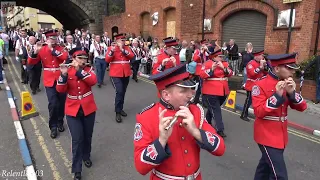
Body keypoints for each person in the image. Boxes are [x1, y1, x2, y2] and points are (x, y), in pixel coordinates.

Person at [134, 64, 226, 179]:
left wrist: (195, 131)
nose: (191, 94)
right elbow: (140, 167)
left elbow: (221, 148)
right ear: (166, 95)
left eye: (191, 89)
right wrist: (162, 140)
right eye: (183, 91)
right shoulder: (147, 117)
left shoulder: (195, 111)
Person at [252, 53, 307, 180]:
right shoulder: (260, 85)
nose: (292, 72)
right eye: (289, 68)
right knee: (279, 175)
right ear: (277, 68)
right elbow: (259, 112)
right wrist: (277, 96)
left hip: (281, 135)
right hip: (266, 135)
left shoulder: (288, 83)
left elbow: (303, 107)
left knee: (264, 169)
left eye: (293, 68)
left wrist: (292, 92)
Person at [56, 47, 97, 180]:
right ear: (73, 59)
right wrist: (63, 75)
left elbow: (93, 81)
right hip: (73, 109)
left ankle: (86, 156)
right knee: (77, 139)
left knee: (87, 136)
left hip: (88, 108)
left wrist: (79, 70)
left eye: (85, 58)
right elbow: (60, 90)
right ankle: (77, 169)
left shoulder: (88, 70)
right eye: (80, 58)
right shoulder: (67, 71)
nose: (83, 60)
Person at [28, 29, 68, 139]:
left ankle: (60, 121)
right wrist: (35, 52)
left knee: (61, 102)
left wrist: (52, 50)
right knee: (53, 103)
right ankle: (53, 126)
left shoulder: (61, 48)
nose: (54, 40)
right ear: (46, 39)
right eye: (51, 38)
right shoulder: (42, 49)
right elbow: (31, 62)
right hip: (49, 80)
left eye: (55, 38)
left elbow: (65, 57)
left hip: (61, 79)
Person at [199, 50, 233, 138]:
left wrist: (223, 68)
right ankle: (220, 129)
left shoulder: (224, 64)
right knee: (216, 109)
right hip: (211, 90)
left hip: (223, 90)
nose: (221, 58)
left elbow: (230, 73)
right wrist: (211, 69)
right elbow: (202, 75)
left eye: (222, 56)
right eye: (219, 56)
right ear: (214, 57)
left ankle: (207, 120)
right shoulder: (207, 63)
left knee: (214, 108)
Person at [105, 33, 134, 123]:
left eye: (124, 40)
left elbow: (132, 56)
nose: (123, 41)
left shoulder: (127, 48)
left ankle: (120, 108)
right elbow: (107, 60)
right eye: (122, 40)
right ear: (117, 41)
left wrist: (122, 49)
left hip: (126, 73)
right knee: (119, 91)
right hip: (115, 74)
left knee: (123, 92)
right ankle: (117, 111)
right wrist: (112, 51)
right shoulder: (111, 48)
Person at [240, 50, 267, 121]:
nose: (262, 57)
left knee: (258, 101)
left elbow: (265, 73)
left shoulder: (260, 63)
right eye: (261, 56)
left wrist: (265, 66)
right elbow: (252, 73)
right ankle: (243, 115)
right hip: (251, 85)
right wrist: (260, 67)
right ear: (257, 56)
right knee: (249, 101)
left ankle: (257, 114)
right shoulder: (250, 63)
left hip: (259, 85)